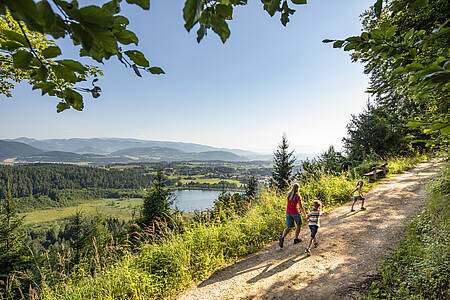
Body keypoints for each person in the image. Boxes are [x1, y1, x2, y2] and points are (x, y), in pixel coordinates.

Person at [279, 183, 307, 248]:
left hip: (288, 212)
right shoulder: (297, 196)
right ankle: (296, 239)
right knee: (299, 225)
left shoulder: (288, 194)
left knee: (288, 227)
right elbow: (301, 206)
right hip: (295, 212)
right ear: (298, 189)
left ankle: (282, 238)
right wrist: (305, 214)